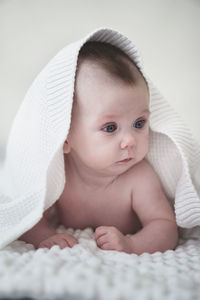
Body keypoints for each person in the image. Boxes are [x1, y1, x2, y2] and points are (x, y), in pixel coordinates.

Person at [19, 42, 178, 254]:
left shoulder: (139, 177)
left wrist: (133, 245)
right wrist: (45, 236)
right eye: (110, 127)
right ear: (65, 138)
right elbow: (28, 215)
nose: (130, 140)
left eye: (139, 123)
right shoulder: (58, 174)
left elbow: (164, 225)